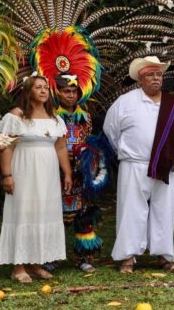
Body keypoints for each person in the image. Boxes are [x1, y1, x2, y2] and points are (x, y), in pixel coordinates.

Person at [104, 56, 174, 273]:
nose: (156, 79)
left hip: (166, 164)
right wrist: (128, 153)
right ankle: (127, 257)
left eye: (159, 74)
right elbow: (110, 131)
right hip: (134, 165)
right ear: (140, 79)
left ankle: (164, 256)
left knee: (164, 210)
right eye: (150, 75)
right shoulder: (125, 102)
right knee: (130, 210)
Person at [0, 75, 71, 283]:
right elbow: (6, 147)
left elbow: (61, 147)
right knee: (23, 213)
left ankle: (35, 263)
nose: (43, 91)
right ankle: (18, 266)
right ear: (28, 91)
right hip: (23, 171)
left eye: (46, 87)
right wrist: (7, 175)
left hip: (47, 174)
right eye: (38, 87)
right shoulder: (16, 116)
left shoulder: (55, 118)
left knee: (43, 213)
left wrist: (67, 172)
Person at [47, 74, 104, 273]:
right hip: (57, 172)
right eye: (66, 91)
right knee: (55, 215)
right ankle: (52, 257)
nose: (71, 95)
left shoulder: (86, 117)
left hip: (81, 173)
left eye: (74, 91)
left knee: (83, 215)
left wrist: (88, 158)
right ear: (58, 93)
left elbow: (90, 142)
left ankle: (84, 257)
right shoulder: (51, 116)